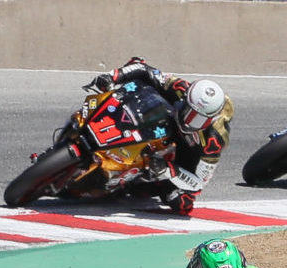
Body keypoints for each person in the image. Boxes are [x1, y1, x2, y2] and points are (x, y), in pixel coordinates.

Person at [80, 57, 230, 214]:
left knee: (181, 202)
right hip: (164, 116)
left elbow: (198, 183)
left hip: (184, 155)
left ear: (210, 119)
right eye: (188, 111)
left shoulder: (213, 143)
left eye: (198, 119)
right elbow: (144, 69)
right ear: (186, 98)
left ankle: (130, 180)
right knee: (135, 65)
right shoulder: (180, 87)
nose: (189, 121)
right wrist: (113, 76)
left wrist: (169, 170)